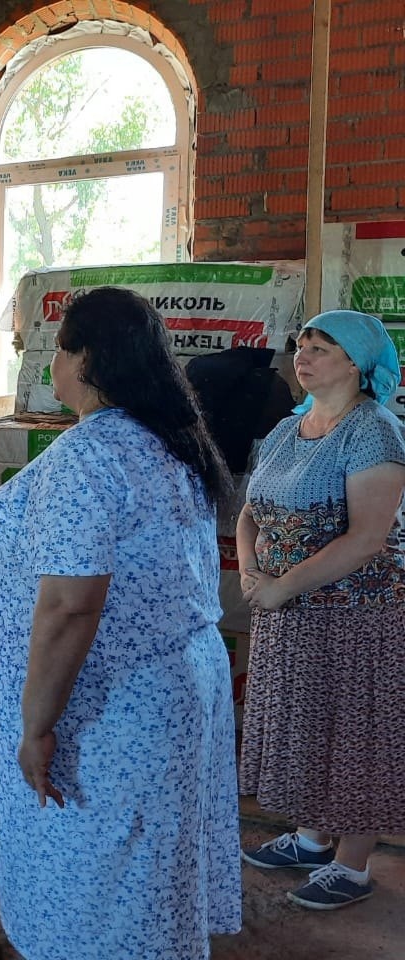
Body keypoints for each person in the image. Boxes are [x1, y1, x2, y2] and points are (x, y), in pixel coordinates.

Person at [0, 287, 241, 959]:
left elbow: (70, 606)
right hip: (177, 682)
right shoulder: (167, 438)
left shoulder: (90, 456)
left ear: (86, 359)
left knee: (100, 878)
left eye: (60, 348)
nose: (52, 363)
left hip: (114, 705)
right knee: (148, 872)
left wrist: (37, 727)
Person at [236, 309, 405, 910]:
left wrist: (284, 587)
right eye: (301, 345)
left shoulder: (374, 431)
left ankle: (353, 866)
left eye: (321, 347)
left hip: (357, 615)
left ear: (357, 364)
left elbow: (366, 539)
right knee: (308, 725)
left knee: (356, 735)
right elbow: (250, 510)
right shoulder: (288, 429)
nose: (302, 357)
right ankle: (310, 838)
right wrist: (254, 574)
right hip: (289, 612)